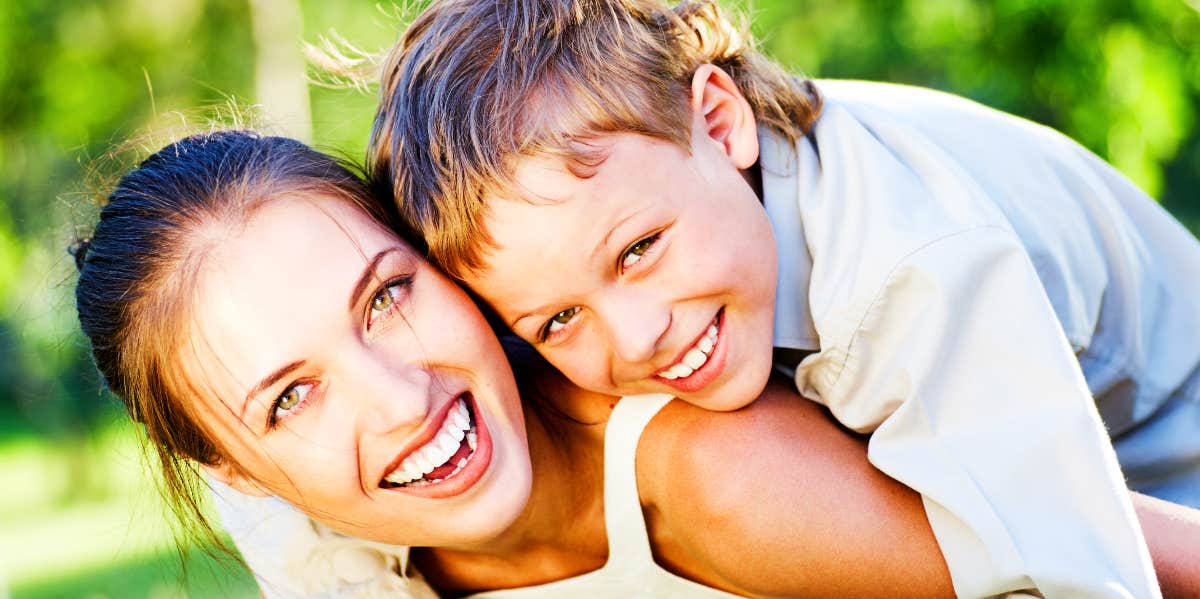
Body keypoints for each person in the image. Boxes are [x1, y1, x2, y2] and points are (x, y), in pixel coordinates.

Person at [70, 130, 1200, 598]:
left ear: (445, 261)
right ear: (240, 474)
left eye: (388, 296)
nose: (403, 397)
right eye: (293, 394)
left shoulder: (712, 469)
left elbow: (1121, 551)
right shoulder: (313, 534)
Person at [367, 0, 1200, 596]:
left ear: (721, 123)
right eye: (557, 319)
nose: (636, 337)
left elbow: (1083, 572)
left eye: (639, 249)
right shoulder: (697, 198)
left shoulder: (904, 277)